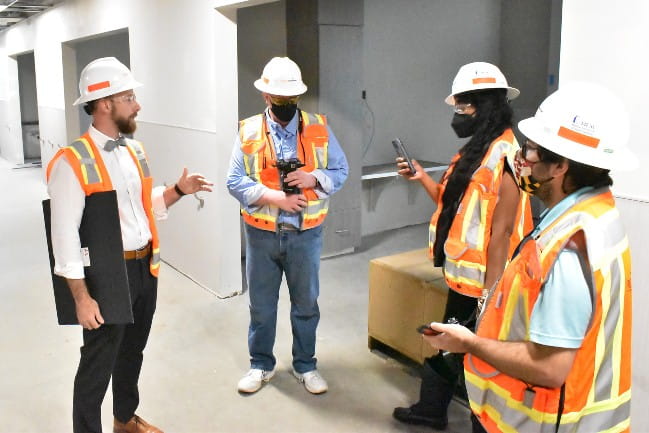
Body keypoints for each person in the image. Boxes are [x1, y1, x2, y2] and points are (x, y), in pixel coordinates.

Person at [424, 81, 635, 433]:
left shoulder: (571, 247)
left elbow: (549, 367)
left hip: (538, 421)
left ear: (559, 167)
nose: (522, 158)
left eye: (533, 151)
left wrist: (470, 342)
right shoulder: (595, 214)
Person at [46, 57, 213, 433]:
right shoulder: (71, 162)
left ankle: (125, 420)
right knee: (96, 364)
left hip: (144, 269)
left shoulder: (133, 150)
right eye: (129, 97)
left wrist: (177, 192)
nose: (136, 104)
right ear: (105, 103)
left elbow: (140, 208)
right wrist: (82, 297)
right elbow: (64, 235)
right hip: (107, 276)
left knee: (131, 351)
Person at [392, 62, 533, 429]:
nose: (458, 115)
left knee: (473, 354)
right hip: (462, 278)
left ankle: (471, 421)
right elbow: (451, 206)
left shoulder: (506, 157)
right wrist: (422, 176)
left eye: (464, 107)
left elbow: (502, 232)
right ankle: (432, 409)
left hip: (484, 285)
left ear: (485, 106)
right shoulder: (476, 151)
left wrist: (490, 297)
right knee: (449, 340)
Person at [226, 56, 348, 395]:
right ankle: (261, 364)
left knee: (306, 305)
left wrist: (313, 177)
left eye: (291, 100)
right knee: (261, 306)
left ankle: (305, 365)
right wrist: (274, 197)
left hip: (306, 235)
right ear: (266, 97)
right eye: (279, 101)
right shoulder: (249, 131)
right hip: (261, 235)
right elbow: (233, 180)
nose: (286, 107)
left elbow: (341, 171)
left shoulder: (318, 127)